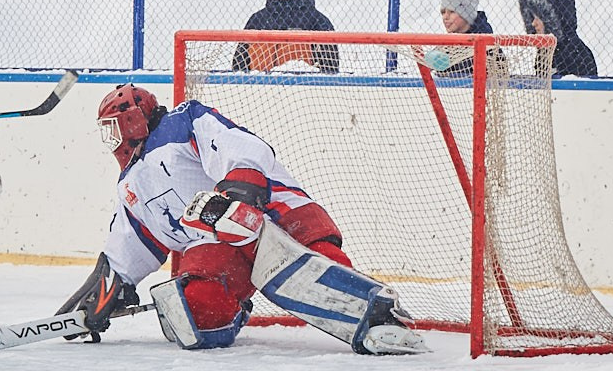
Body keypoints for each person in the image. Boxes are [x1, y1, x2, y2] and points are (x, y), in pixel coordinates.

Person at [59, 85, 423, 356]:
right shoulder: (129, 186)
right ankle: (235, 307)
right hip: (217, 246)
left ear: (133, 118)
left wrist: (241, 184)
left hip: (270, 211)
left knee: (316, 268)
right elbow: (130, 242)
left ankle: (374, 309)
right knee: (196, 311)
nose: (111, 138)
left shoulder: (181, 122)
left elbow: (237, 143)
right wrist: (104, 291)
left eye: (113, 127)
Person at [232, 0, 340, 72]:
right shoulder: (257, 20)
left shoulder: (318, 21)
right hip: (258, 88)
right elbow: (238, 67)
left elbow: (331, 69)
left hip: (303, 89)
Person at [518, 0, 599, 79]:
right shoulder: (546, 52)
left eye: (538, 18)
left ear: (551, 19)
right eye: (533, 18)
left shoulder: (575, 53)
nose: (533, 23)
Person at [423, 0, 496, 76]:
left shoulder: (488, 46)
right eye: (443, 12)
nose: (445, 17)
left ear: (467, 14)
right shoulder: (447, 46)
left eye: (452, 12)